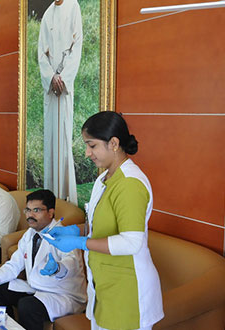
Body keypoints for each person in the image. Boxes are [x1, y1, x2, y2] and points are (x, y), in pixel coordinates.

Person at [44, 111, 164, 330]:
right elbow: (97, 227)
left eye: (92, 145)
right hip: (104, 287)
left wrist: (80, 243)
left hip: (127, 291)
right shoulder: (104, 179)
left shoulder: (130, 184)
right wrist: (75, 231)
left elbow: (131, 242)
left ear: (114, 143)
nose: (87, 153)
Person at [0, 189, 87, 330]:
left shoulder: (62, 234)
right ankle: (5, 327)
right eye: (27, 210)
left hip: (61, 294)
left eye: (36, 210)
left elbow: (72, 263)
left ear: (51, 212)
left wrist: (58, 268)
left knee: (27, 306)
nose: (30, 215)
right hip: (36, 287)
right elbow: (14, 264)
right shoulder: (30, 234)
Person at [38, 0, 82, 205]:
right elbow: (40, 54)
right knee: (51, 139)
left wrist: (63, 78)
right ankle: (50, 194)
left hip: (64, 89)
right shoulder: (46, 15)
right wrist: (50, 77)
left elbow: (77, 46)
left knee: (64, 135)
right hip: (51, 89)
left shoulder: (74, 5)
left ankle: (68, 195)